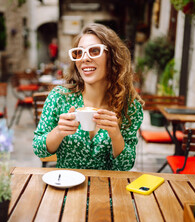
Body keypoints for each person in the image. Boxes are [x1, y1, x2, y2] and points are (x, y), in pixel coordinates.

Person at [33, 23, 144, 171]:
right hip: (66, 188)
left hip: (107, 191)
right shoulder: (59, 98)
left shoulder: (129, 107)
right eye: (79, 53)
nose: (84, 58)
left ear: (112, 56)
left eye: (94, 51)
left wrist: (116, 134)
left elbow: (125, 165)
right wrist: (58, 131)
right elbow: (39, 150)